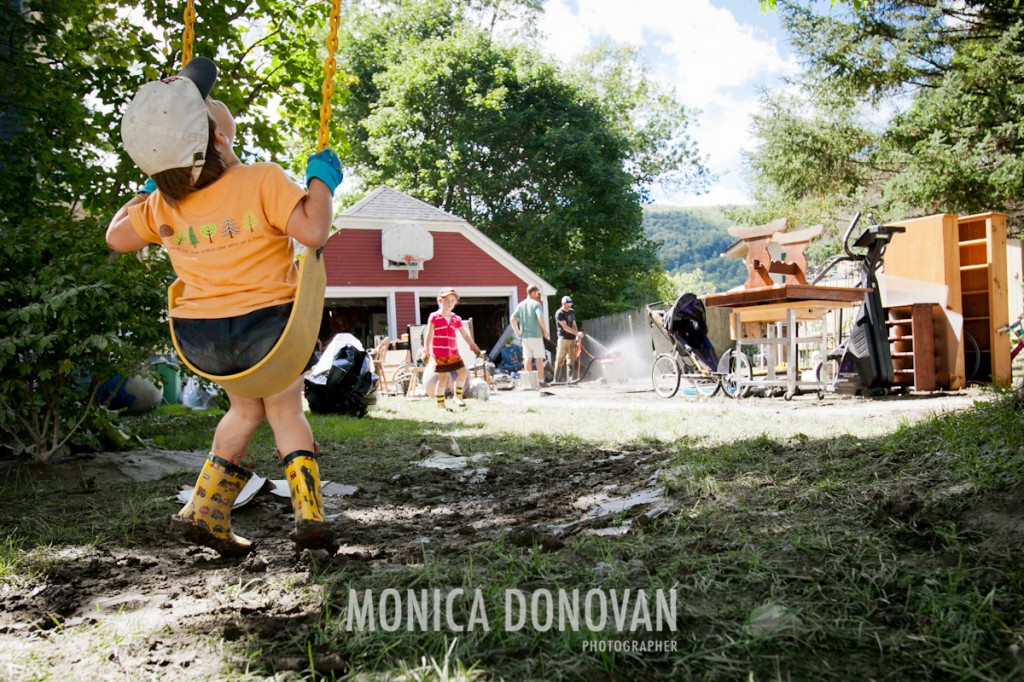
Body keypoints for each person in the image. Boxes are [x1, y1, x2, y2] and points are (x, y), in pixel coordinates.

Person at [106, 58, 341, 557]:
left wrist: (150, 188)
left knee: (244, 410)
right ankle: (310, 514)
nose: (214, 100)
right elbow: (313, 231)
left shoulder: (161, 207)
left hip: (204, 340)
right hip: (268, 331)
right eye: (210, 104)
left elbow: (116, 236)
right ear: (217, 138)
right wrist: (321, 181)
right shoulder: (261, 179)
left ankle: (205, 511)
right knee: (284, 409)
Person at [421, 288, 481, 410]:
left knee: (463, 372)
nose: (449, 303)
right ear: (439, 301)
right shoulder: (434, 317)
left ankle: (457, 396)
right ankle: (440, 404)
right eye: (446, 300)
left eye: (452, 301)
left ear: (455, 303)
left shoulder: (456, 319)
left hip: (453, 352)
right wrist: (426, 350)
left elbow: (464, 335)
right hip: (440, 353)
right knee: (443, 378)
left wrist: (473, 347)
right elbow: (429, 334)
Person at [510, 284, 549, 388]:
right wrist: (545, 330)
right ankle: (540, 381)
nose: (538, 295)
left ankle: (529, 382)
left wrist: (518, 332)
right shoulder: (536, 304)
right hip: (535, 335)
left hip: (525, 337)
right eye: (537, 293)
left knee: (527, 357)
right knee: (539, 358)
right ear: (532, 292)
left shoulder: (520, 305)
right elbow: (540, 317)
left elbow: (512, 319)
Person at [554, 295, 583, 383]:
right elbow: (565, 327)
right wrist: (577, 333)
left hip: (572, 339)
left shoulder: (571, 311)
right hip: (563, 339)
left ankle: (570, 379)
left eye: (570, 304)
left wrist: (577, 335)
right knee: (560, 358)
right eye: (568, 304)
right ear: (563, 304)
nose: (569, 306)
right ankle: (556, 380)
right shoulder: (559, 313)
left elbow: (574, 324)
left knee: (571, 358)